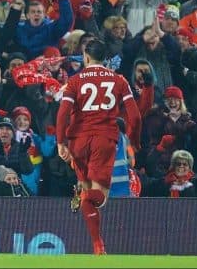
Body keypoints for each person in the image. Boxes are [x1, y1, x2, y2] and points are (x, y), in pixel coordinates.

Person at [56, 39, 142, 255]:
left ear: (86, 57)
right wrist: (135, 140)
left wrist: (60, 142)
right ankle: (97, 243)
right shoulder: (119, 80)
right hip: (103, 140)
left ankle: (98, 245)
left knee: (87, 192)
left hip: (78, 141)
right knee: (99, 198)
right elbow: (135, 117)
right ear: (105, 59)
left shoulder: (74, 81)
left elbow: (62, 114)